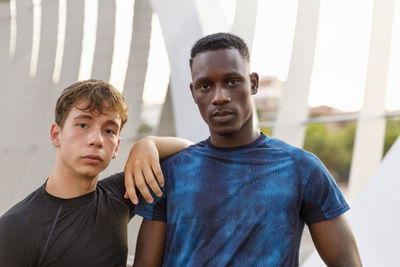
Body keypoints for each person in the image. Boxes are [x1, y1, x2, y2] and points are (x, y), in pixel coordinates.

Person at [130, 33, 362, 266]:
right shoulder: (170, 172)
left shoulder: (301, 168)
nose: (219, 97)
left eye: (232, 81)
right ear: (193, 93)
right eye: (205, 86)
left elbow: (347, 262)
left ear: (253, 83)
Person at [0, 79, 191, 266]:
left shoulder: (121, 193)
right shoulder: (16, 227)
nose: (96, 139)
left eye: (109, 130)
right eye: (83, 125)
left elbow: (193, 151)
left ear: (116, 146)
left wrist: (149, 143)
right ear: (56, 135)